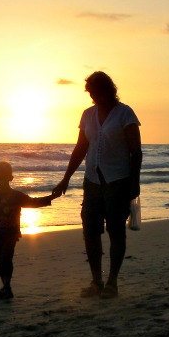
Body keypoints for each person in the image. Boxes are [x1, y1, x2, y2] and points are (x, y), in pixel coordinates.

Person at [53, 71, 142, 299]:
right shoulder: (87, 115)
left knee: (115, 231)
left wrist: (135, 182)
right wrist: (66, 178)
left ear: (107, 89)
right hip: (92, 180)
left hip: (118, 181)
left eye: (94, 91)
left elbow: (136, 152)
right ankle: (96, 281)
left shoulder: (125, 114)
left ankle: (112, 282)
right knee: (90, 231)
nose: (91, 95)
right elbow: (80, 148)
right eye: (89, 92)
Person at [0, 161, 59, 300]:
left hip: (11, 234)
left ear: (10, 178)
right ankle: (5, 286)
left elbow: (33, 202)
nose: (0, 181)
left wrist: (51, 198)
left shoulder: (16, 196)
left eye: (4, 178)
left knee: (6, 258)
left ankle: (7, 287)